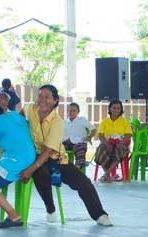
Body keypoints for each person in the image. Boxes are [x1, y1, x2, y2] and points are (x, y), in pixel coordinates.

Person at [19, 84, 113, 226]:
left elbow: (49, 151)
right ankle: (50, 208)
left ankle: (99, 214)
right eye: (40, 95)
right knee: (41, 173)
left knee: (84, 182)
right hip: (35, 156)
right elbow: (19, 117)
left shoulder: (57, 122)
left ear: (55, 101)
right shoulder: (30, 108)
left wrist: (30, 169)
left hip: (56, 157)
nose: (42, 99)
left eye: (47, 97)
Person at [94, 99, 133, 183]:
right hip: (106, 143)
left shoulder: (124, 121)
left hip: (121, 143)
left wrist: (121, 143)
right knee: (101, 150)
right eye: (114, 108)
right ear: (110, 109)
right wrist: (107, 145)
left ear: (121, 109)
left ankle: (106, 174)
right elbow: (100, 136)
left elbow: (128, 134)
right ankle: (108, 176)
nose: (116, 110)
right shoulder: (104, 121)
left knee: (118, 150)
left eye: (118, 108)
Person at [62, 102, 97, 169]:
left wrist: (89, 137)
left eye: (74, 111)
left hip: (78, 142)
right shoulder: (64, 122)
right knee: (59, 149)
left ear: (78, 112)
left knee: (81, 149)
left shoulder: (82, 120)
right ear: (67, 111)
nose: (72, 112)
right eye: (70, 110)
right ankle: (64, 168)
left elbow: (94, 129)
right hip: (66, 142)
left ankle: (77, 169)